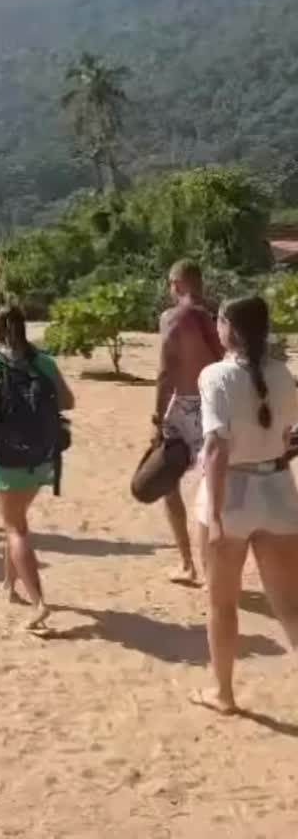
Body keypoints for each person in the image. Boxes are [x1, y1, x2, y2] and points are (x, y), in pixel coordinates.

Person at [194, 295, 298, 715]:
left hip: (233, 490)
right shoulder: (281, 373)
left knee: (222, 604)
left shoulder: (215, 376)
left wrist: (216, 516)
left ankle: (223, 692)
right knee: (290, 606)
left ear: (229, 328)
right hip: (276, 487)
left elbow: (216, 449)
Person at [0, 306, 74, 631]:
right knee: (14, 520)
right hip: (40, 456)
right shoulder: (42, 361)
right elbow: (68, 401)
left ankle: (39, 602)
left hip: (4, 456)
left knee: (16, 528)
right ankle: (9, 584)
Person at [154, 260, 222, 585]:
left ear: (179, 283)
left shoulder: (172, 318)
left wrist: (157, 416)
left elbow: (166, 372)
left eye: (170, 283)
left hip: (182, 405)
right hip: (215, 405)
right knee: (215, 489)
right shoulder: (217, 317)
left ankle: (186, 563)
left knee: (169, 483)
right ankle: (214, 569)